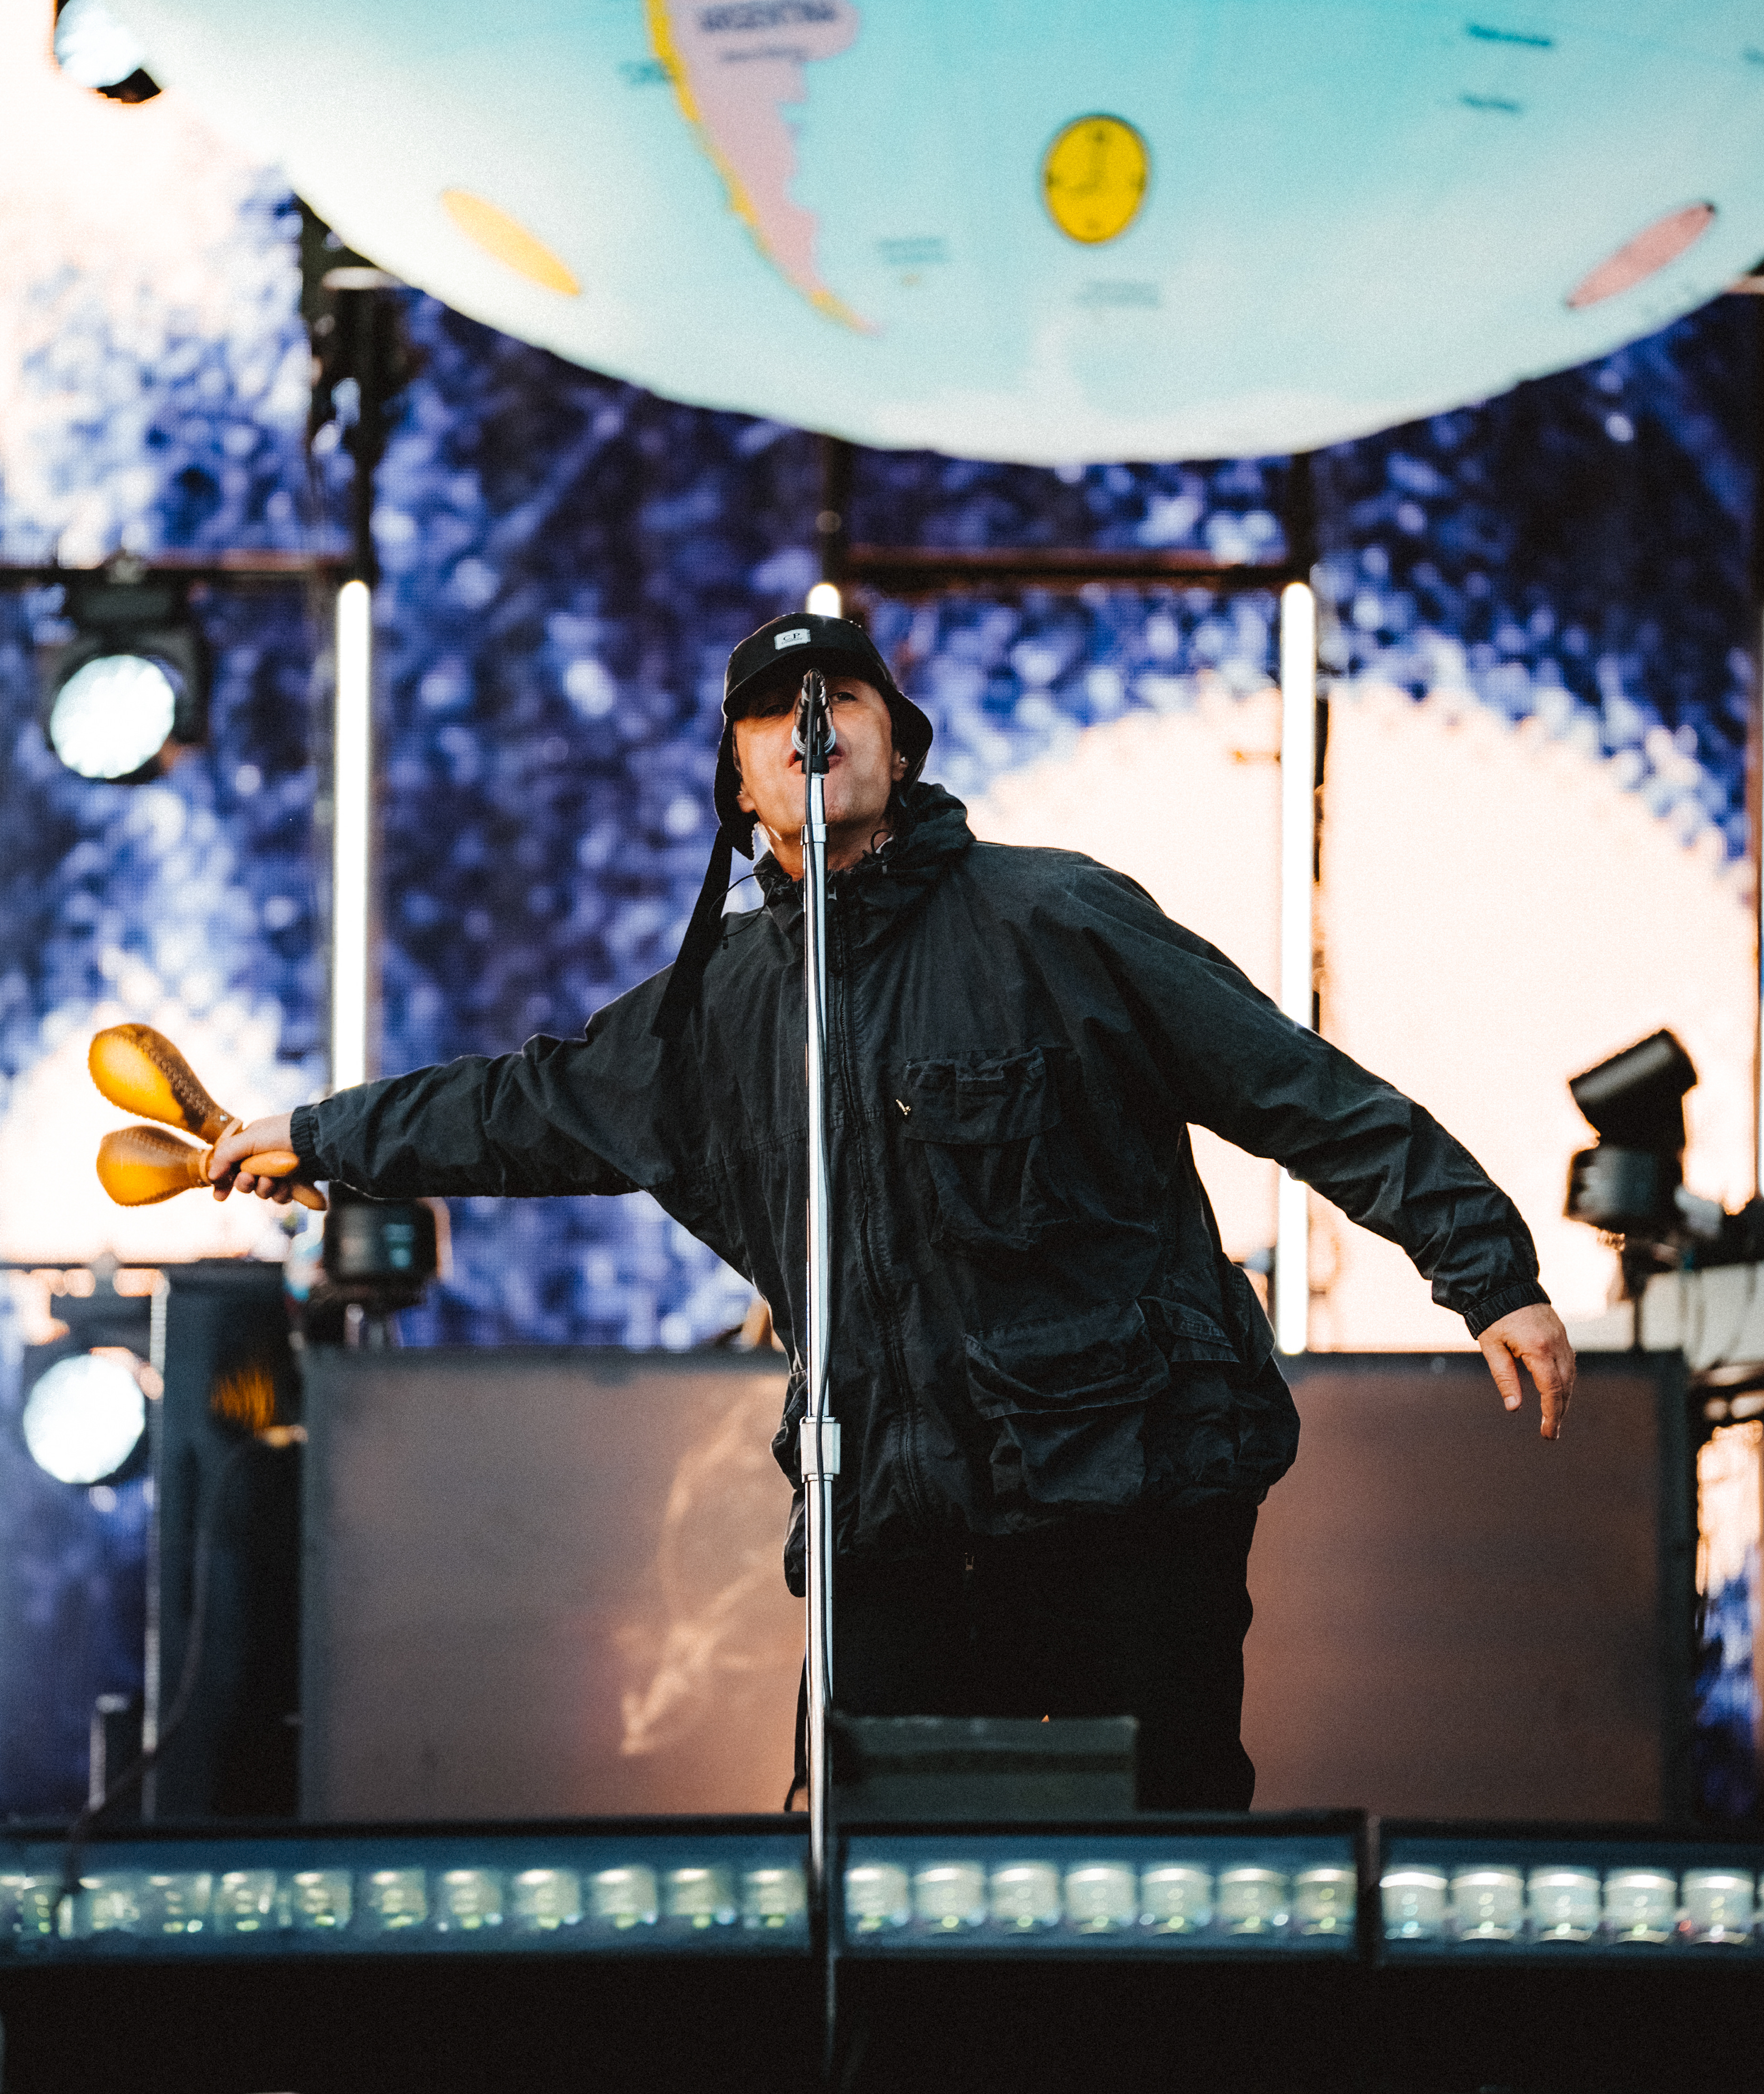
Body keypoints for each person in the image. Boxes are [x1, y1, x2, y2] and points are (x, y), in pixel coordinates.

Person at [211, 611, 1575, 1808]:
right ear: (739, 787)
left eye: (843, 698)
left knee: (1156, 1876)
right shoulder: (718, 1008)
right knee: (877, 1878)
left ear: (899, 747)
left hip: (1130, 1499)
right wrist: (317, 1139)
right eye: (767, 715)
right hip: (898, 1523)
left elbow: (1294, 1087)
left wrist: (1485, 1267)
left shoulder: (1058, 919)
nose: (810, 725)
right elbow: (518, 1106)